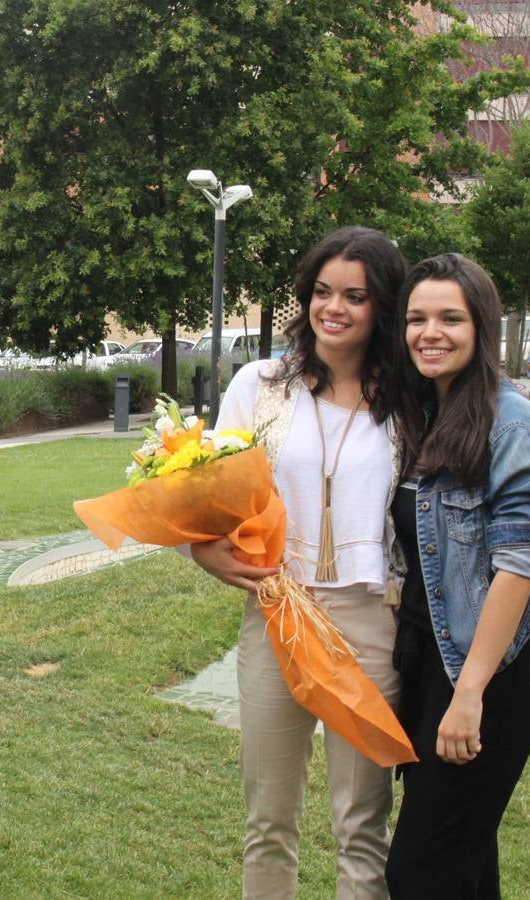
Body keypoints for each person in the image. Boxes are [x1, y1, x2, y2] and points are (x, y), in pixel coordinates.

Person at [190, 226, 409, 898]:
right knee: (268, 820)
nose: (333, 308)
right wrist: (201, 548)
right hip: (277, 611)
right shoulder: (261, 385)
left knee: (362, 825)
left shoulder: (411, 400)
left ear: (383, 308)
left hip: (372, 621)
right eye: (322, 292)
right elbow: (203, 484)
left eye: (355, 296)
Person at [385, 254, 530, 898]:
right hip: (429, 666)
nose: (430, 332)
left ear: (480, 326)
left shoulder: (510, 422)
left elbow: (519, 564)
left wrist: (469, 695)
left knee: (419, 872)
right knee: (467, 863)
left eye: (450, 318)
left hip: (488, 677)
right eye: (417, 319)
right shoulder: (424, 416)